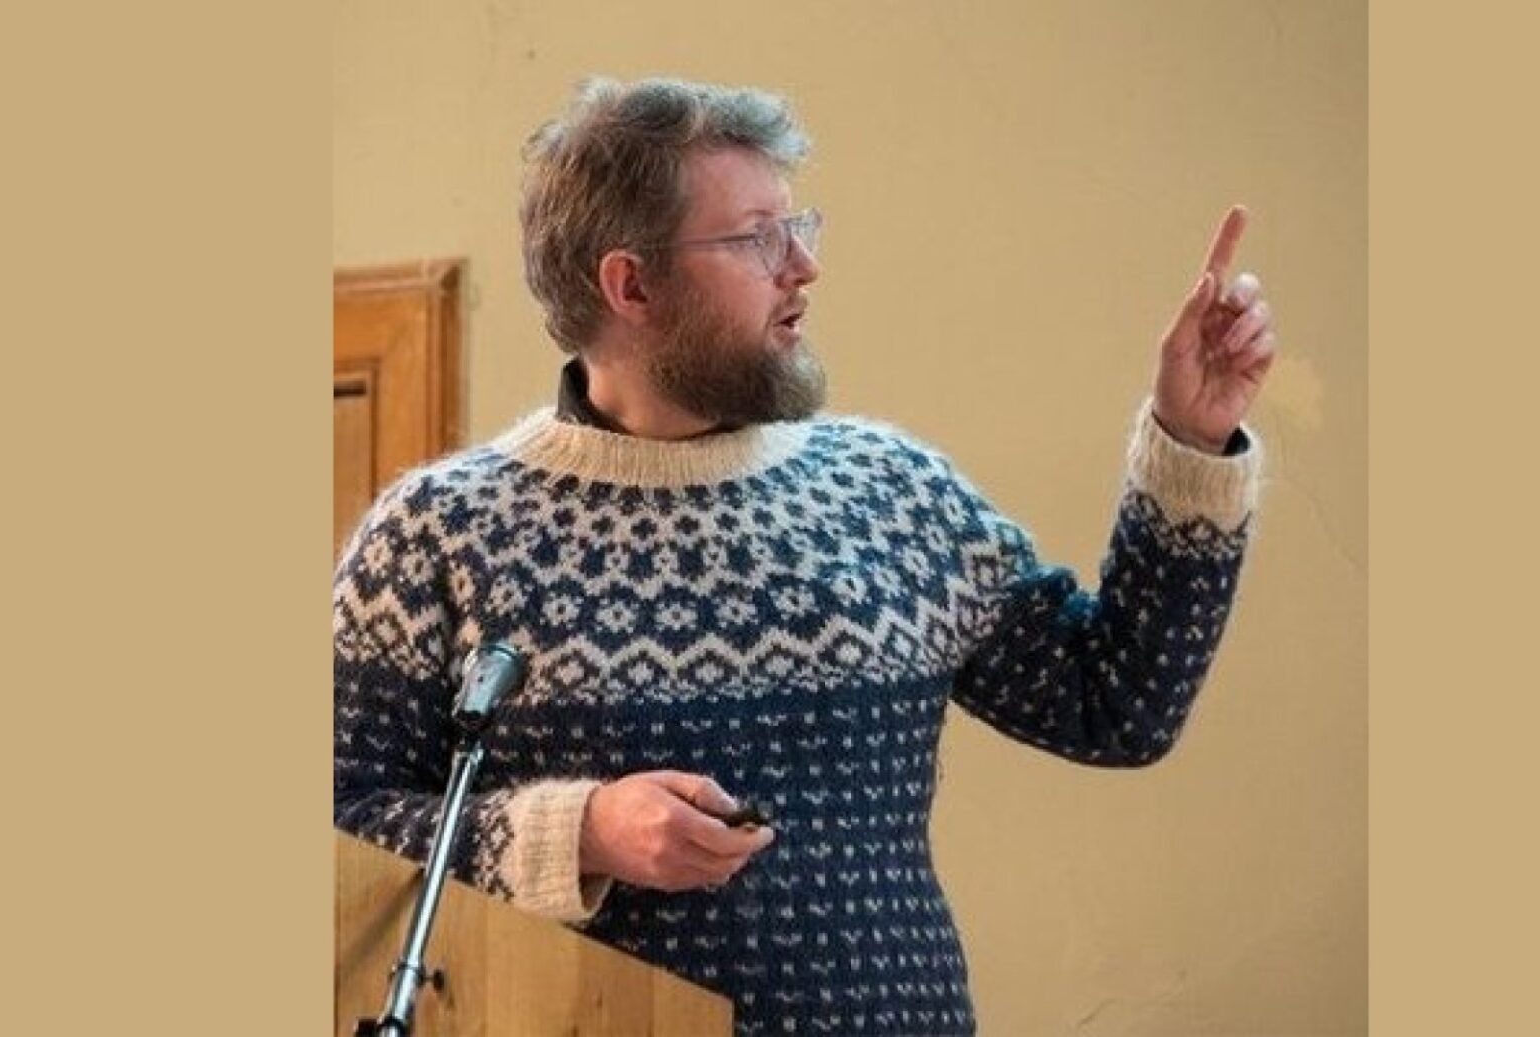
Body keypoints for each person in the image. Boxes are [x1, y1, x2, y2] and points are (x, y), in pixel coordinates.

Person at [334, 76, 1276, 1036]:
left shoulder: (893, 492)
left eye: (799, 225)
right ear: (631, 285)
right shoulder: (440, 532)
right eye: (754, 238)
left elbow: (1116, 703)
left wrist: (1189, 442)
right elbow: (332, 830)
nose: (803, 267)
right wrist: (578, 833)